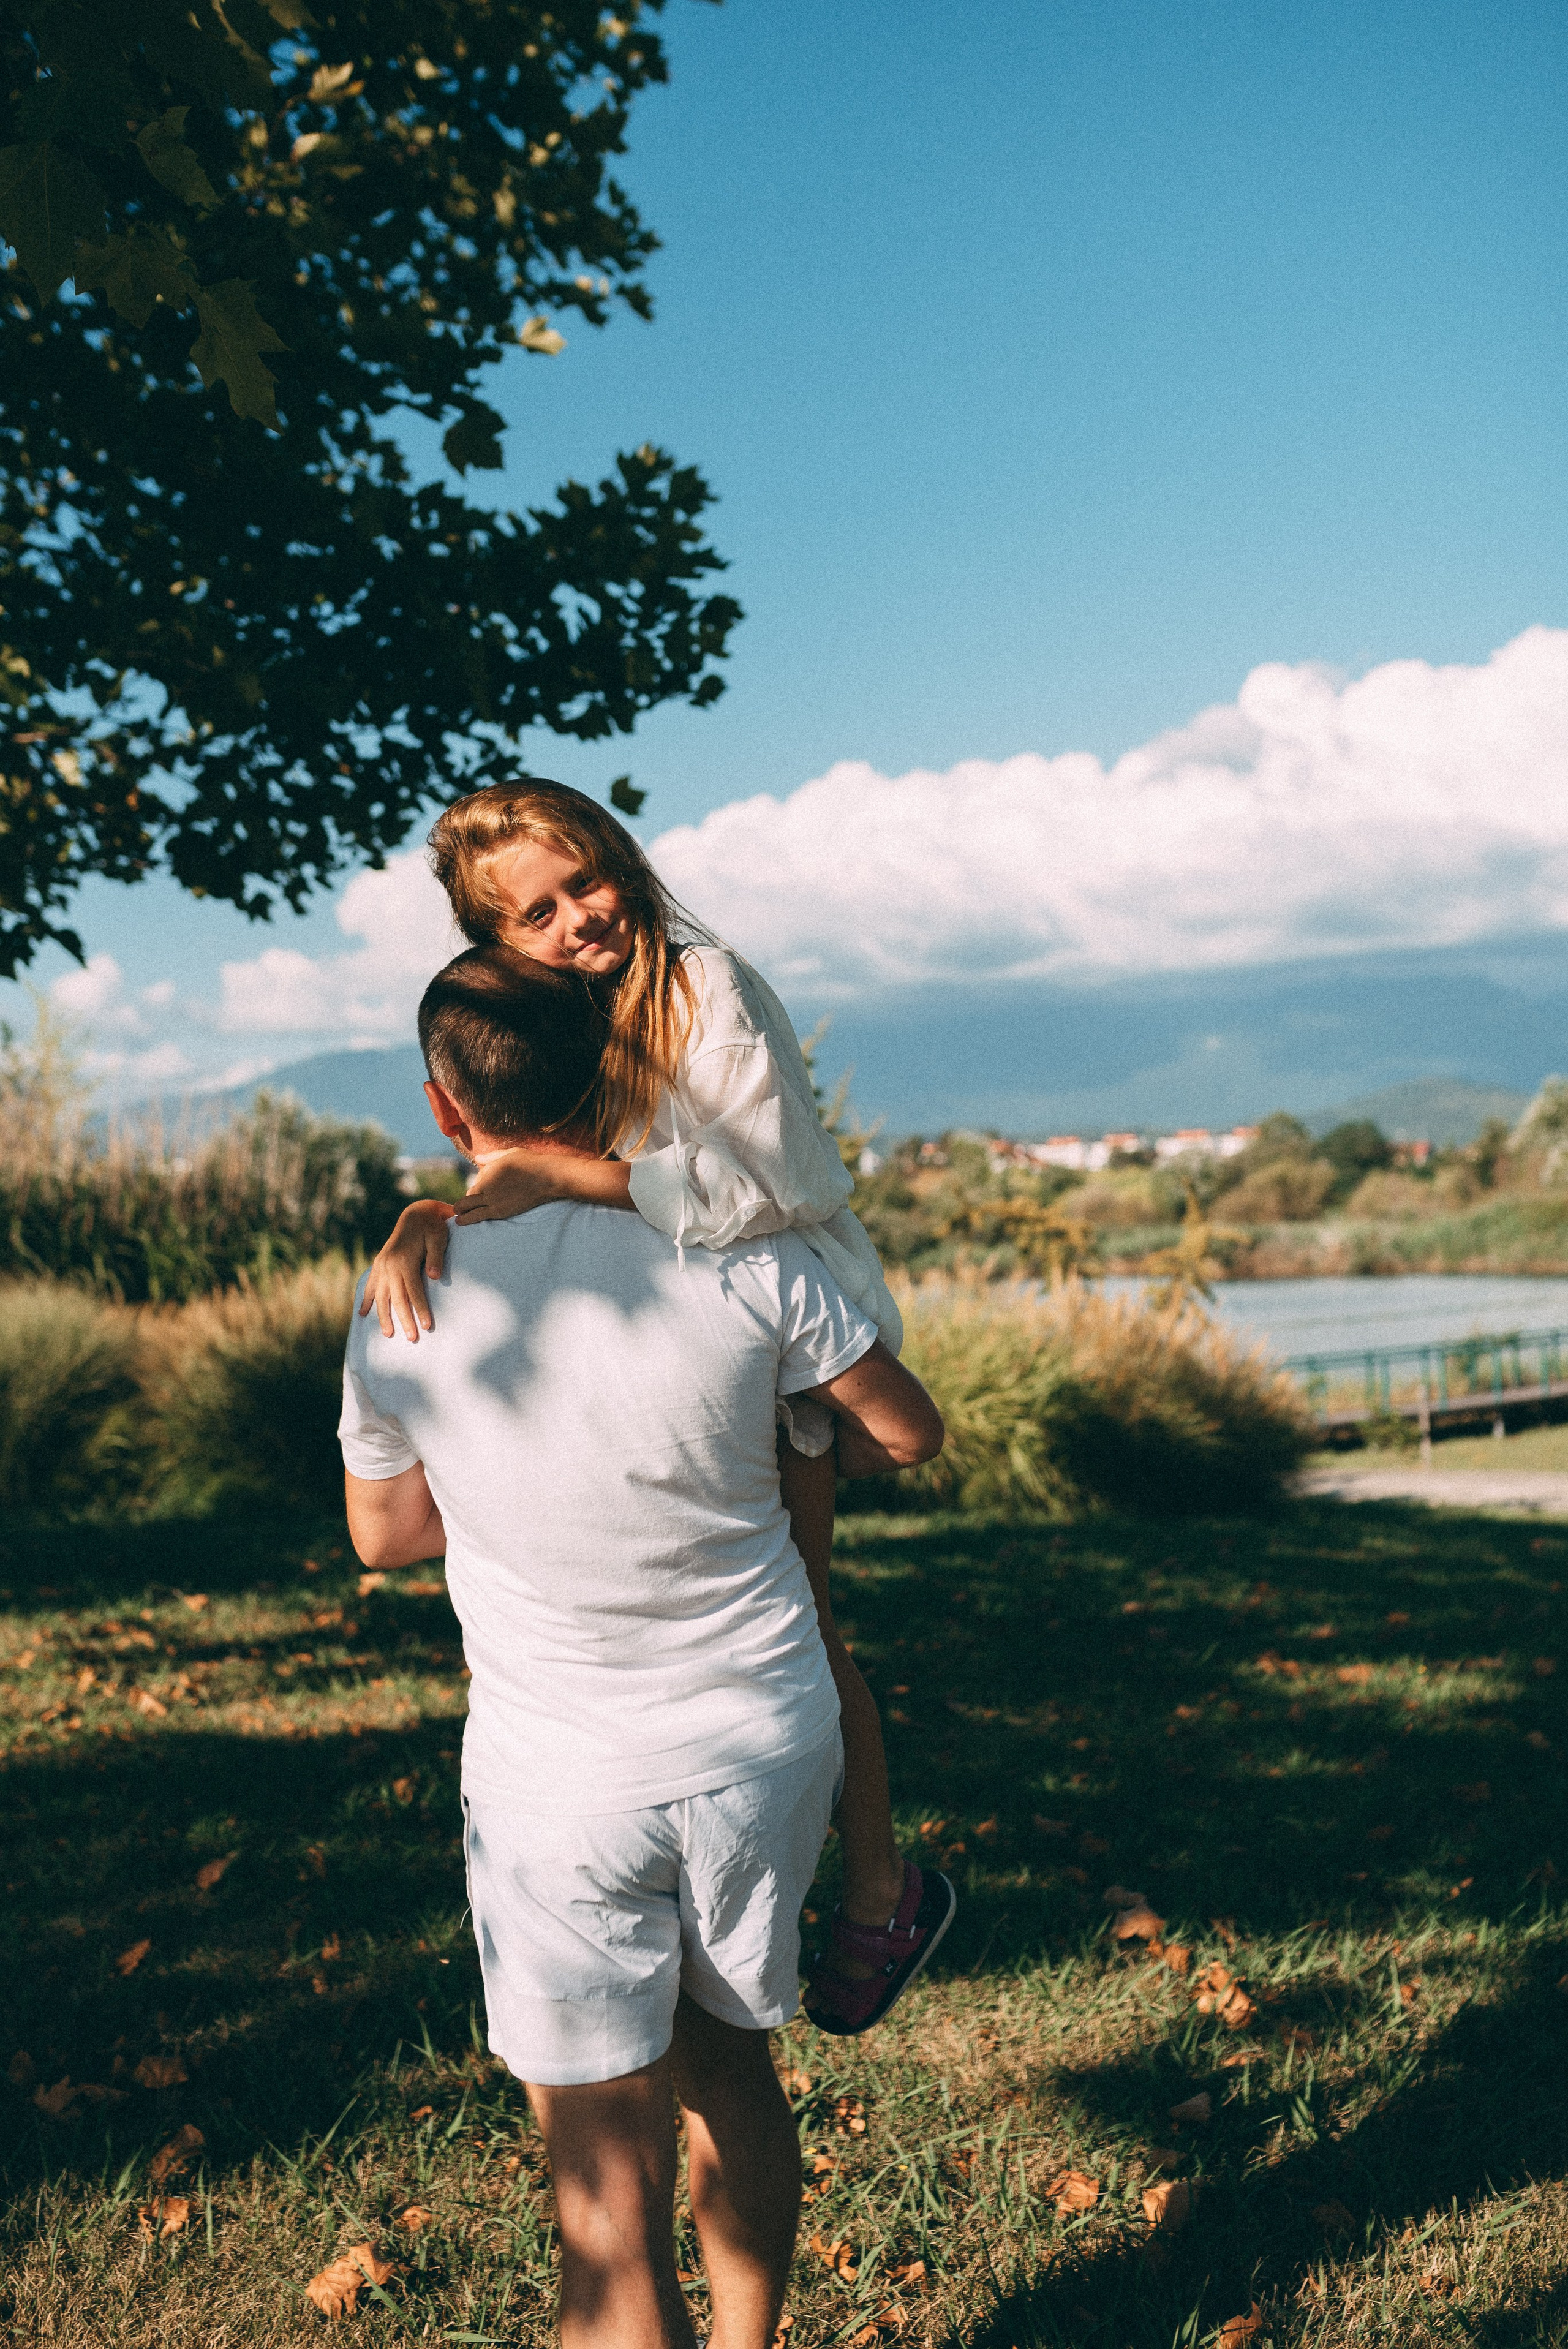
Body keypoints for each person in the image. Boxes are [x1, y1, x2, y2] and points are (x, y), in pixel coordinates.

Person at [339, 945, 948, 2349]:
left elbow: (383, 1535)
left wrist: (517, 1489)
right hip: (760, 1746)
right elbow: (905, 1430)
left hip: (560, 1787)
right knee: (731, 2065)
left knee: (606, 2201)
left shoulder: (401, 1297)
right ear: (615, 1077)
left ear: (445, 1109)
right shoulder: (741, 1254)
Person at [357, 779, 945, 2034]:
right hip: (691, 1321)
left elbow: (767, 1186)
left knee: (806, 1614)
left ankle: (880, 1889)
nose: (577, 917)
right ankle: (707, 1867)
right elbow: (507, 1161)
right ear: (494, 942)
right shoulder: (564, 1017)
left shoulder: (702, 987)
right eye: (536, 912)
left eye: (585, 881)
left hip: (797, 1328)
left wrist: (554, 1172)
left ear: (621, 857)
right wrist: (430, 1212)